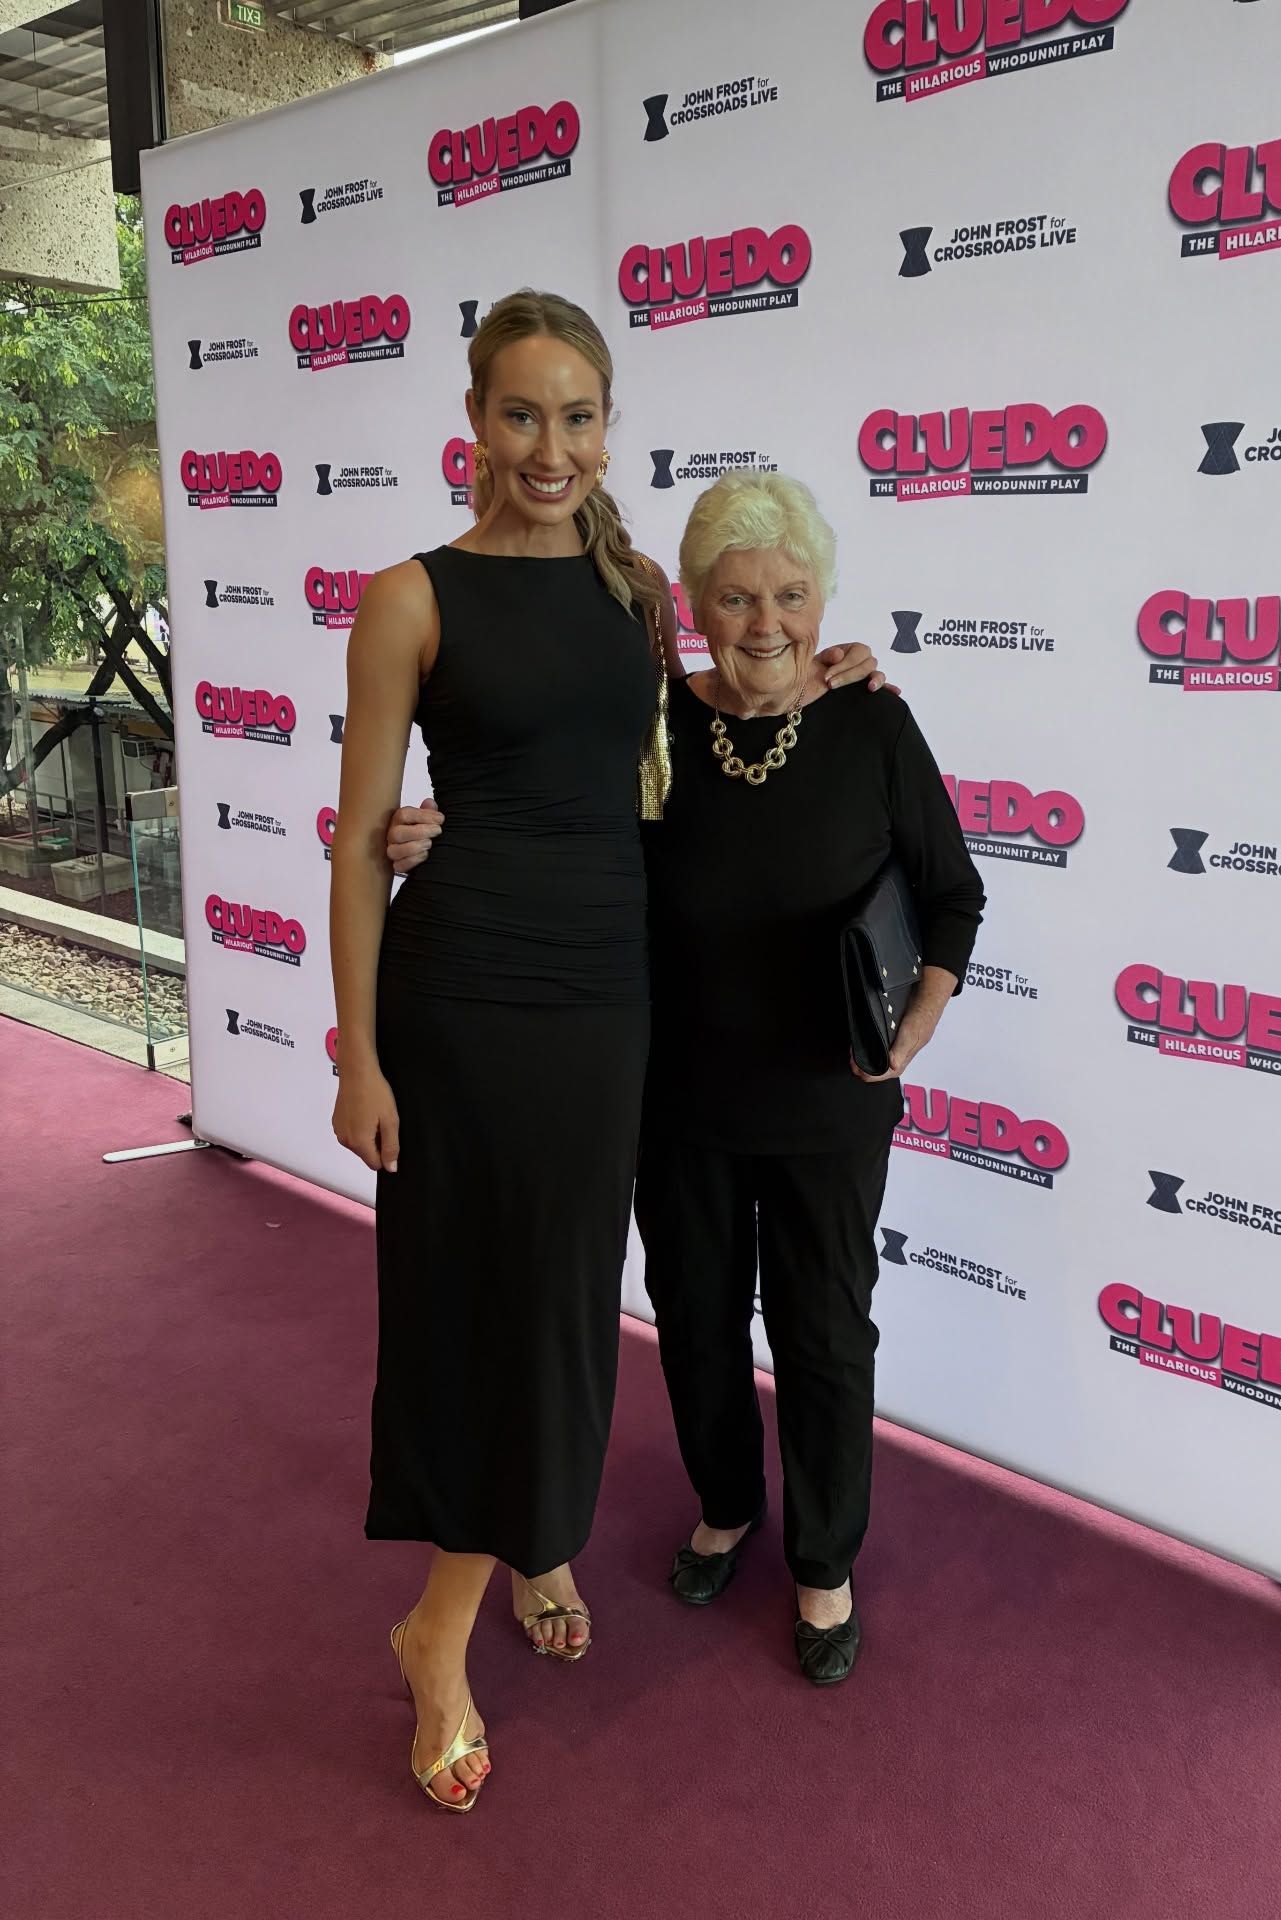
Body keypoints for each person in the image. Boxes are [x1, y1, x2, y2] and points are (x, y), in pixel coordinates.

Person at [331, 293, 884, 1812]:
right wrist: (358, 1057)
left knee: (573, 1299)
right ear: (474, 419)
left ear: (604, 426)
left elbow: (690, 735)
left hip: (609, 999)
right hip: (463, 997)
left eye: (578, 417)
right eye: (522, 414)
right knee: (482, 1301)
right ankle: (435, 1633)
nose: (550, 446)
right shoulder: (408, 597)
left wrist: (824, 677)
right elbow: (361, 847)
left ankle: (539, 1539)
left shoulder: (634, 588)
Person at [389, 468, 985, 1691]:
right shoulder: (652, 727)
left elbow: (954, 896)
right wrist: (435, 832)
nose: (767, 623)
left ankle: (824, 1560)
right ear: (695, 610)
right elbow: (549, 826)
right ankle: (726, 1505)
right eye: (737, 597)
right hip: (675, 1100)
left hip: (829, 1097)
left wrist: (914, 1030)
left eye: (792, 595)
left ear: (823, 603)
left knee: (824, 1334)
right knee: (699, 1321)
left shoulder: (872, 723)